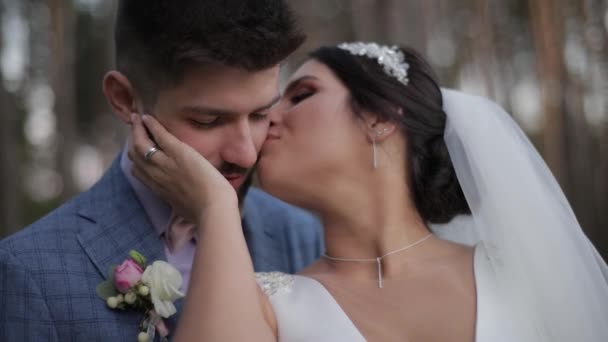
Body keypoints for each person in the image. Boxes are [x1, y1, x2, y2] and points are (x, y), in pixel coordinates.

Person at [129, 42, 608, 341]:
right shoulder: (262, 304)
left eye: (301, 95)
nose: (265, 120)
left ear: (380, 117)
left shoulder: (519, 273)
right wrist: (216, 208)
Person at [0, 1, 323, 341]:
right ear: (124, 99)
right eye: (208, 121)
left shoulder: (299, 234)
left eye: (260, 115)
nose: (245, 154)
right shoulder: (29, 273)